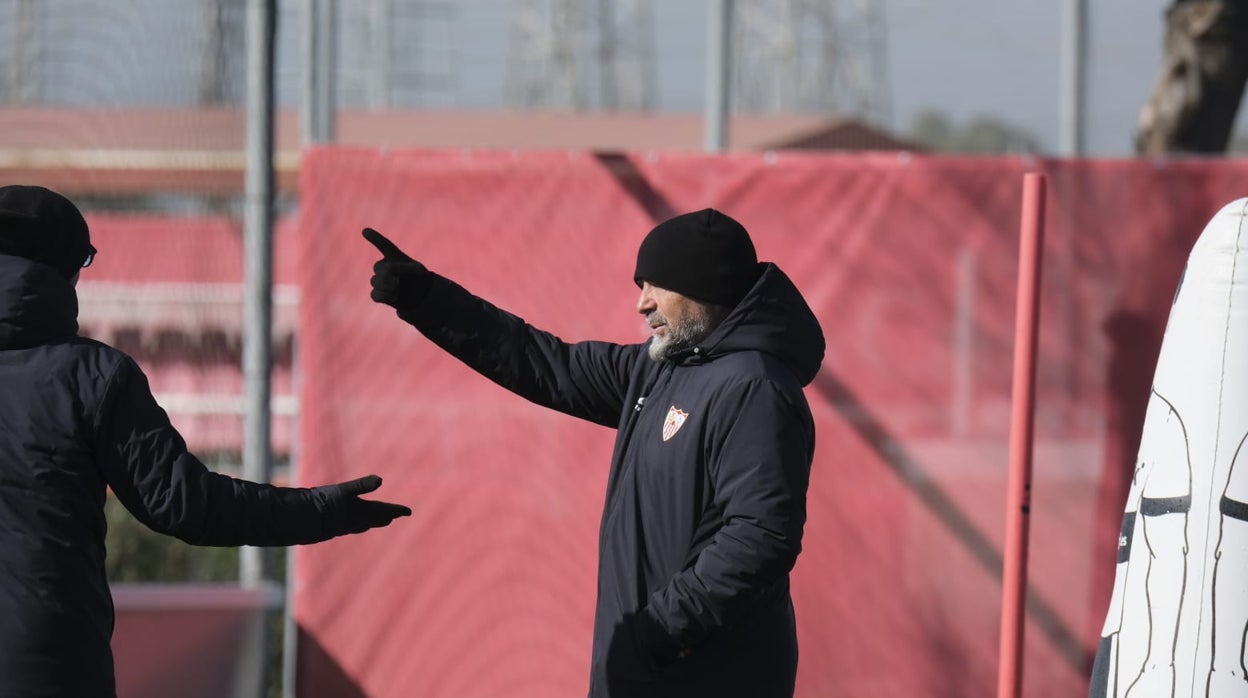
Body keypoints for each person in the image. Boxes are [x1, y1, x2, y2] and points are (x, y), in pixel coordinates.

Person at [364, 208, 825, 698]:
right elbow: (543, 361)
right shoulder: (660, 369)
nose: (642, 304)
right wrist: (429, 300)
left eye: (656, 286)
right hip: (647, 670)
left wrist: (661, 630)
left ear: (704, 288)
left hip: (702, 675)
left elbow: (759, 536)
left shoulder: (754, 388)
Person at [0, 184, 412, 698]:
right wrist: (319, 512)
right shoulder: (93, 378)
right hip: (45, 661)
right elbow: (186, 505)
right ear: (66, 271)